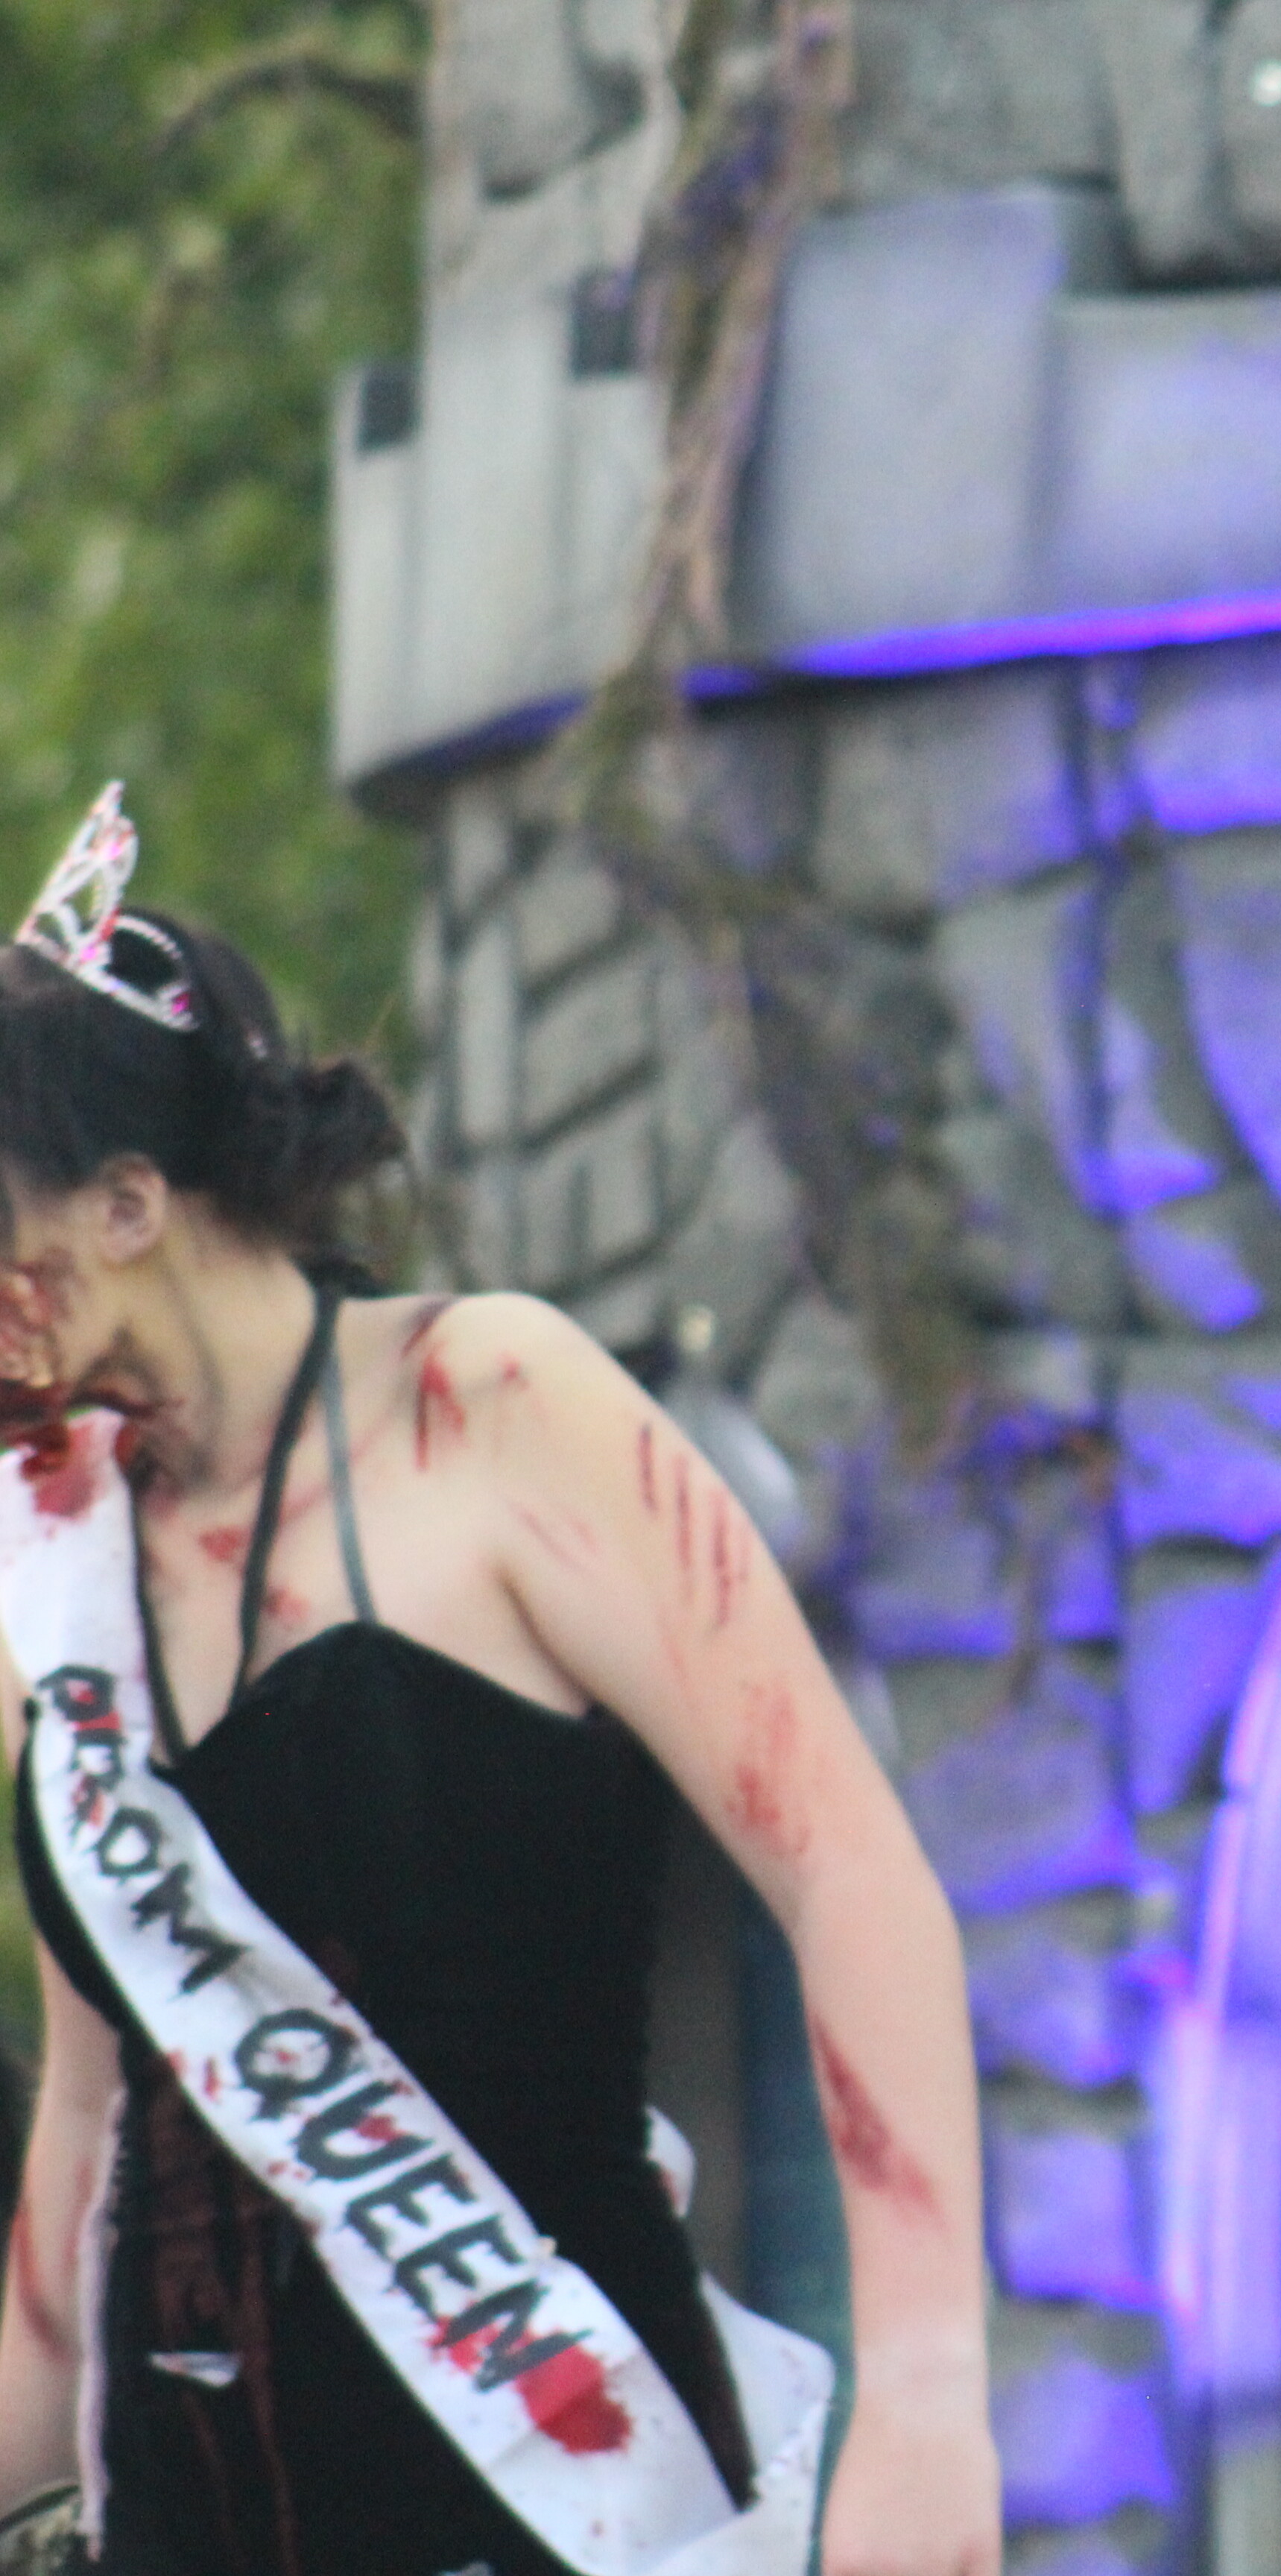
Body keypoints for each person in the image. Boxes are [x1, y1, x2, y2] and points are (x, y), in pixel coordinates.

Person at [0, 789, 999, 2575]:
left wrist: (927, 2404)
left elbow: (849, 1871)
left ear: (130, 1202)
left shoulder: (496, 1408)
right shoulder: (54, 1547)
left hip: (555, 2496)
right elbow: (97, 2121)